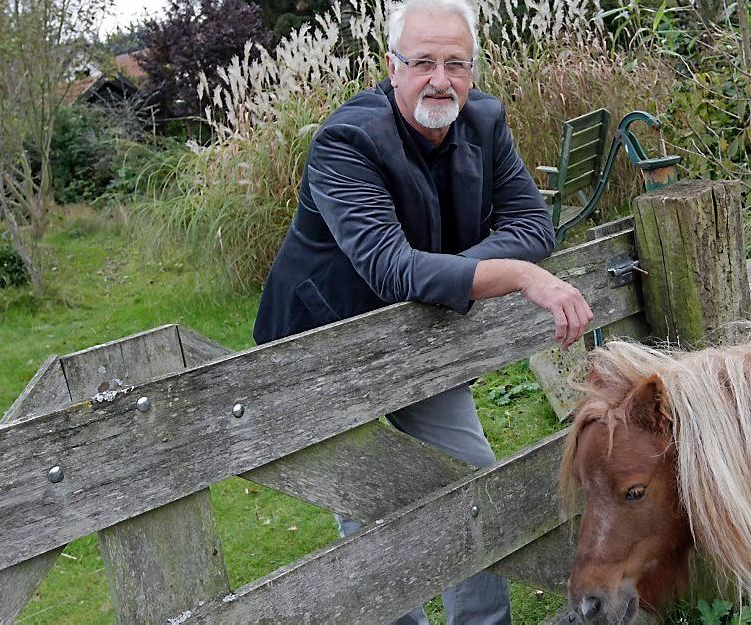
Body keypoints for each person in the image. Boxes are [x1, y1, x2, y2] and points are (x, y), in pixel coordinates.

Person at [253, 0, 593, 622]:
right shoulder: (346, 141)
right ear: (392, 67)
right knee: (370, 507)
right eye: (424, 62)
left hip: (419, 334)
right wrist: (511, 275)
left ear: (472, 70)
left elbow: (532, 225)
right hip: (323, 348)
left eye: (456, 63)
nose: (441, 79)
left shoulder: (485, 123)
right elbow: (393, 269)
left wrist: (456, 272)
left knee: (472, 479)